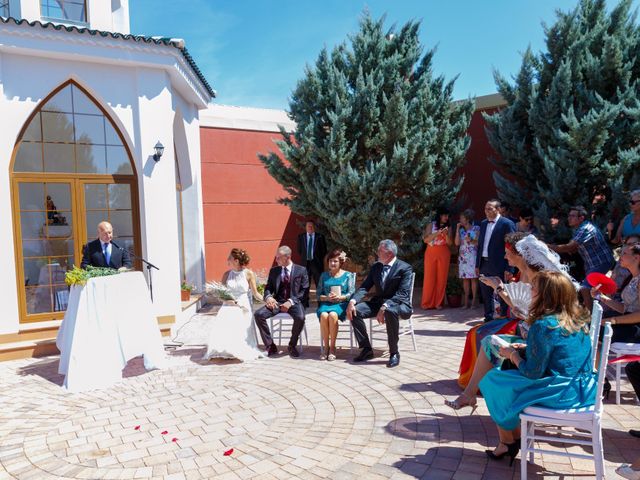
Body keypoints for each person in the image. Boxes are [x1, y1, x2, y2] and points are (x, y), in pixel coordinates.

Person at [479, 271, 596, 465]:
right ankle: (511, 439)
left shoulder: (543, 325)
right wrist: (528, 348)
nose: (530, 290)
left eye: (534, 288)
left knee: (493, 381)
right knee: (503, 379)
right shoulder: (577, 319)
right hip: (584, 388)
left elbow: (532, 373)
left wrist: (512, 354)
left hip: (561, 392)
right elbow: (562, 351)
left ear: (546, 294)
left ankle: (508, 441)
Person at [451, 233, 570, 401]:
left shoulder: (540, 278)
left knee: (481, 334)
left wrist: (498, 288)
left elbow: (532, 313)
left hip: (532, 333)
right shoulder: (528, 273)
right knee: (478, 333)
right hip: (529, 326)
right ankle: (472, 391)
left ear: (521, 254)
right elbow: (521, 306)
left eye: (508, 252)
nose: (505, 256)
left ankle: (483, 386)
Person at [346, 239, 413, 368]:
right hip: (379, 302)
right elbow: (365, 286)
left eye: (379, 251)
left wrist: (386, 305)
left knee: (389, 311)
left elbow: (403, 293)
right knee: (355, 310)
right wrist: (352, 301)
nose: (376, 253)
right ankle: (366, 349)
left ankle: (394, 353)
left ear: (389, 254)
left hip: (399, 304)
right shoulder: (376, 267)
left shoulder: (404, 268)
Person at [203, 249, 265, 361]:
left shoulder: (248, 274)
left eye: (229, 258)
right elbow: (220, 294)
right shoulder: (226, 275)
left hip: (243, 306)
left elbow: (255, 293)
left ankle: (240, 350)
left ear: (236, 261)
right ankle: (228, 350)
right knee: (226, 322)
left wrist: (267, 301)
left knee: (241, 326)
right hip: (229, 305)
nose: (227, 260)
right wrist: (227, 300)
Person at [549, 205, 614, 307]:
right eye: (569, 215)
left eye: (573, 216)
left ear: (581, 218)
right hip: (592, 264)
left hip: (601, 262)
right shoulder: (580, 228)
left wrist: (546, 246)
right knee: (587, 288)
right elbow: (573, 247)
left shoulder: (585, 229)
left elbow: (569, 247)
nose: (569, 218)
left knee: (585, 288)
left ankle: (591, 317)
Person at [254, 246, 309, 358]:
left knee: (300, 317)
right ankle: (270, 345)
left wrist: (291, 301)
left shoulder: (301, 270)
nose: (276, 259)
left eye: (278, 257)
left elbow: (304, 290)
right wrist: (268, 297)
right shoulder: (274, 271)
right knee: (258, 314)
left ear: (287, 257)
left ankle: (292, 345)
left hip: (295, 303)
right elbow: (268, 288)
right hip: (277, 302)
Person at [590, 243, 640, 343]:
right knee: (589, 326)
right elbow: (624, 308)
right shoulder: (633, 278)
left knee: (592, 331)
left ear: (636, 258)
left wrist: (612, 320)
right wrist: (600, 296)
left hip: (635, 329)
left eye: (624, 253)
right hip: (627, 324)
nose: (620, 256)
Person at [476, 199, 516, 322]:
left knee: (501, 291)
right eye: (485, 209)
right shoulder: (483, 223)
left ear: (498, 210)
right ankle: (488, 318)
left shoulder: (507, 224)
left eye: (490, 209)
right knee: (485, 292)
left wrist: (509, 268)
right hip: (484, 263)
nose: (486, 211)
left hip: (500, 264)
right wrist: (478, 264)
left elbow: (512, 246)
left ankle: (503, 318)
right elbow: (480, 245)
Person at [316, 249, 355, 361]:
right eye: (330, 261)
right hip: (326, 303)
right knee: (323, 315)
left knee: (333, 315)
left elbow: (351, 293)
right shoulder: (323, 275)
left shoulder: (348, 275)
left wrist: (341, 297)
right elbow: (318, 295)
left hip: (341, 304)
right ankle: (326, 348)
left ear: (340, 262)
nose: (332, 263)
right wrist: (327, 297)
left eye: (335, 261)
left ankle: (332, 347)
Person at [421, 208, 451, 309]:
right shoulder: (431, 225)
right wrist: (438, 233)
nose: (446, 218)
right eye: (444, 215)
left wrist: (446, 235)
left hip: (444, 252)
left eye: (447, 215)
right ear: (439, 216)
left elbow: (450, 243)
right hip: (431, 251)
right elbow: (426, 239)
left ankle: (438, 303)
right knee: (429, 277)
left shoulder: (448, 227)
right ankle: (426, 303)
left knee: (442, 278)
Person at [454, 208, 480, 309]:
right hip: (463, 257)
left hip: (472, 255)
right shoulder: (461, 230)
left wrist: (471, 240)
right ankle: (465, 303)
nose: (460, 220)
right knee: (465, 279)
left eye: (462, 218)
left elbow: (477, 242)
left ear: (467, 219)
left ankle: (473, 302)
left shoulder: (476, 228)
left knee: (473, 279)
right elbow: (456, 243)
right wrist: (457, 229)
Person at [297, 220, 327, 291]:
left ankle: (320, 301)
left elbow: (324, 251)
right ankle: (305, 301)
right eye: (308, 226)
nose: (310, 227)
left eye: (311, 226)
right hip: (305, 264)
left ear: (314, 227)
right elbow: (299, 250)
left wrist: (318, 259)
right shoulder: (301, 237)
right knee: (305, 284)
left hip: (317, 264)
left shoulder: (320, 237)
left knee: (319, 284)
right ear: (306, 227)